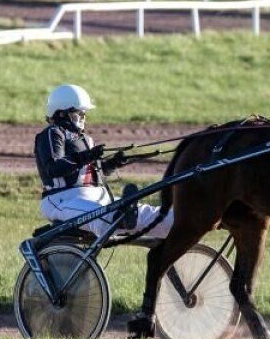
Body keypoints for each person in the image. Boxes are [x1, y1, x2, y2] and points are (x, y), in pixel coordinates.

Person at [34, 84, 173, 239]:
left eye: (84, 114)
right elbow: (54, 168)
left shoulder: (86, 139)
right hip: (63, 199)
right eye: (78, 113)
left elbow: (90, 175)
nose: (83, 118)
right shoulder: (52, 133)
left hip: (97, 196)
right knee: (101, 219)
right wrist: (87, 157)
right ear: (61, 113)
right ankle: (123, 217)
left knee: (156, 217)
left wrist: (112, 164)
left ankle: (179, 217)